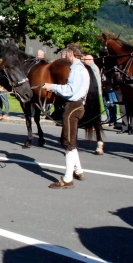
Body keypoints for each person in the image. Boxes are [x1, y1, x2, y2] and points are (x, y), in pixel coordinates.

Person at [43, 43, 90, 189]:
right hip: (79, 104)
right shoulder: (81, 68)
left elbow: (70, 90)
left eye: (67, 53)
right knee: (71, 140)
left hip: (72, 106)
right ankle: (78, 170)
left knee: (68, 142)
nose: (65, 55)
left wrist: (52, 87)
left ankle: (67, 179)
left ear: (71, 53)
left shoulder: (76, 70)